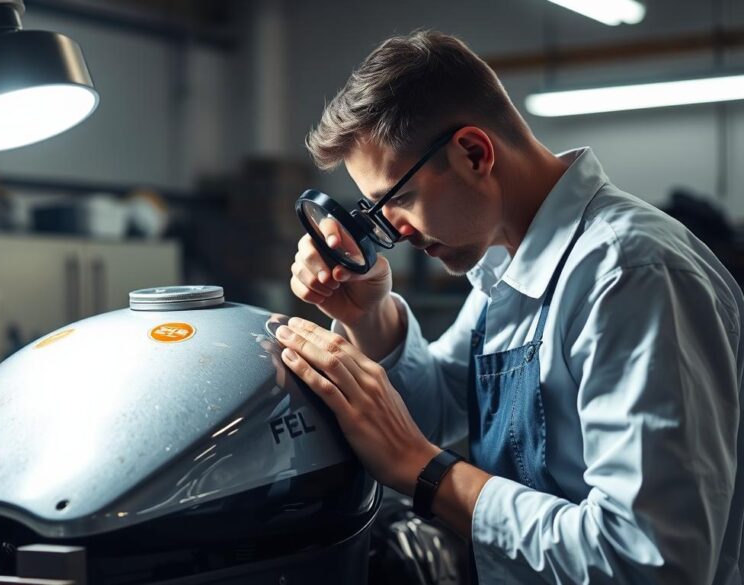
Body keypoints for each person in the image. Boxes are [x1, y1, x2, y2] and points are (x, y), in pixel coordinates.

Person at [278, 30, 744, 583]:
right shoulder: (508, 269)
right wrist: (367, 316)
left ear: (474, 154)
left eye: (398, 200)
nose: (394, 233)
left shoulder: (628, 273)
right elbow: (436, 410)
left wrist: (428, 475)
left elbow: (651, 562)